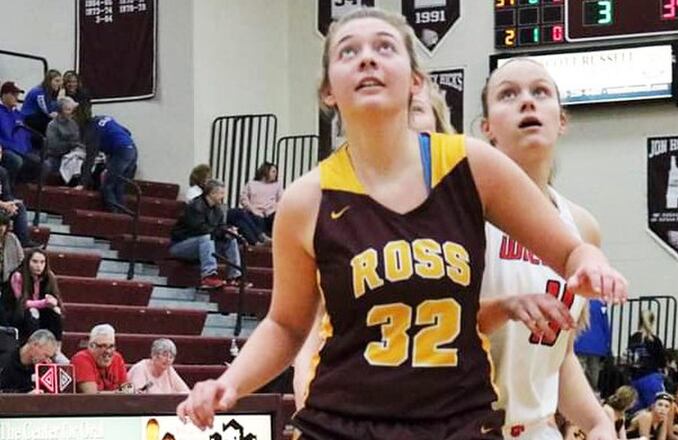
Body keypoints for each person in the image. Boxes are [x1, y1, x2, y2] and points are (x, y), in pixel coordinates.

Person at [177, 8, 627, 438]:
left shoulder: (472, 165)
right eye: (348, 51)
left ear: (416, 81)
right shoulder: (305, 200)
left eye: (385, 47)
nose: (367, 57)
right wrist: (230, 382)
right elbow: (287, 325)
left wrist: (591, 263)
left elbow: (571, 249)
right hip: (344, 421)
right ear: (328, 91)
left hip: (456, 421)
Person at [291, 79, 454, 410]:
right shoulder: (327, 202)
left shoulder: (467, 205)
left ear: (439, 126)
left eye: (417, 108)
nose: (405, 117)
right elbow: (306, 327)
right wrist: (307, 395)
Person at [477, 57, 616, 439]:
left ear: (562, 120)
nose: (527, 102)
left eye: (540, 92)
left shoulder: (582, 229)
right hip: (465, 425)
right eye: (508, 94)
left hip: (537, 429)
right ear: (487, 129)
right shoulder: (463, 214)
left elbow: (558, 355)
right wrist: (504, 308)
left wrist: (596, 420)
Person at [169, 179, 242, 289]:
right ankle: (208, 276)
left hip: (205, 244)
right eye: (221, 193)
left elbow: (220, 227)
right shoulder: (195, 206)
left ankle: (234, 276)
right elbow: (201, 229)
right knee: (206, 238)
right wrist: (222, 233)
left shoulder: (218, 209)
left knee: (231, 239)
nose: (223, 196)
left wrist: (229, 231)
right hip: (181, 245)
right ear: (212, 193)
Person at [80, 114, 138, 213]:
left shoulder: (92, 132)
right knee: (119, 186)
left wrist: (82, 183)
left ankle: (115, 215)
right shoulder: (105, 118)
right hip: (132, 150)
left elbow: (89, 160)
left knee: (107, 186)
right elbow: (127, 132)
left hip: (121, 152)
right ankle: (123, 215)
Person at [4, 250, 64, 344]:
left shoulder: (49, 276)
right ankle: (34, 344)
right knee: (33, 312)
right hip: (17, 313)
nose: (39, 266)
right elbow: (22, 303)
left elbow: (55, 297)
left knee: (56, 311)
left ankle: (56, 347)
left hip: (41, 312)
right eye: (35, 261)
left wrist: (53, 302)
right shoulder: (18, 276)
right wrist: (44, 303)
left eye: (42, 262)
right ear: (28, 262)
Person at [228, 162, 282, 244]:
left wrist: (272, 209)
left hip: (270, 212)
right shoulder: (251, 184)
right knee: (254, 218)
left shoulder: (277, 185)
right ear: (265, 171)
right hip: (255, 211)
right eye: (273, 171)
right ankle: (260, 239)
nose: (276, 174)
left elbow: (281, 200)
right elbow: (243, 199)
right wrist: (252, 209)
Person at [71, 323, 129, 393]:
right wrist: (120, 392)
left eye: (111, 346)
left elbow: (127, 390)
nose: (108, 351)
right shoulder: (81, 359)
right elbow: (93, 395)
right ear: (91, 346)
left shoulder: (117, 358)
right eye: (102, 346)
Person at [628, 309, 667, 411]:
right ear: (653, 322)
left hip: (635, 378)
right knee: (658, 410)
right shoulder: (654, 340)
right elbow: (662, 361)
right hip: (651, 377)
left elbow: (630, 356)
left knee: (637, 412)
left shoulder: (633, 338)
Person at [0, 81, 35, 188]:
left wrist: (28, 148)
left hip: (21, 149)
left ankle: (20, 184)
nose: (16, 97)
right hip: (5, 149)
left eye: (17, 94)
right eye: (13, 94)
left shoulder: (18, 115)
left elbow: (25, 134)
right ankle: (8, 190)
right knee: (16, 161)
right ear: (4, 95)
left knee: (42, 163)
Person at [0, 145, 36, 247]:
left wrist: (11, 205)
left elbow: (7, 195)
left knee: (19, 206)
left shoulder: (2, 172)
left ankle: (23, 242)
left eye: (0, 153)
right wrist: (3, 205)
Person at [0, 328, 57, 393]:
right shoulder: (5, 361)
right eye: (46, 356)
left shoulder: (43, 368)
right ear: (34, 345)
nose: (47, 361)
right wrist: (25, 396)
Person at [574, 298, 612, 394]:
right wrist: (607, 345)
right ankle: (593, 395)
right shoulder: (601, 304)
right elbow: (605, 326)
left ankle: (578, 394)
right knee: (594, 374)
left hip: (580, 342)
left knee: (578, 373)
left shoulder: (580, 302)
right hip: (597, 345)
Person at [45, 96, 84, 184]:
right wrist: (71, 144)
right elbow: (54, 146)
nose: (71, 113)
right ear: (60, 111)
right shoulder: (52, 125)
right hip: (56, 157)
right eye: (68, 110)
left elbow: (78, 140)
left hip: (74, 155)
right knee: (47, 165)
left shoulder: (73, 123)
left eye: (72, 110)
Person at [20, 69, 62, 139]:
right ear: (49, 81)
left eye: (60, 81)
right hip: (29, 117)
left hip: (39, 115)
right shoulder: (39, 92)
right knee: (53, 124)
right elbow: (47, 110)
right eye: (57, 81)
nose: (60, 83)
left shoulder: (50, 91)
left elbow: (53, 108)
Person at [0, 213, 23, 283]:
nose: (1, 228)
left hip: (9, 280)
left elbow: (21, 258)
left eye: (3, 224)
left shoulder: (12, 238)